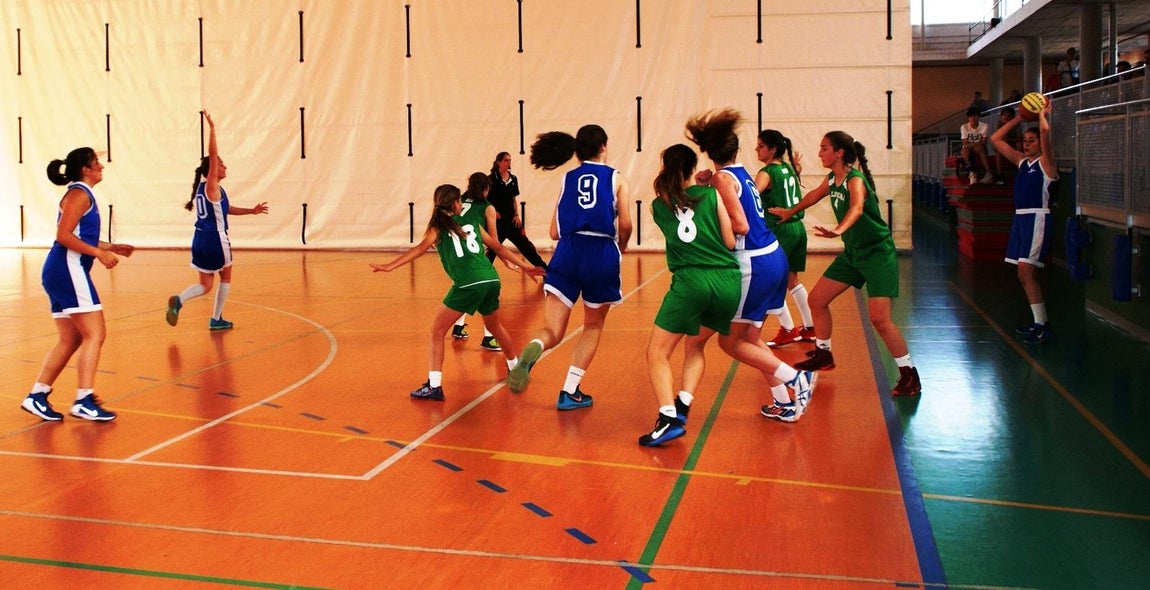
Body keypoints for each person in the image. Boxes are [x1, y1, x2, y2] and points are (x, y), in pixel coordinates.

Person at [687, 109, 815, 424]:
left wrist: (714, 235)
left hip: (753, 263)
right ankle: (784, 402)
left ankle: (796, 378)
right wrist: (711, 187)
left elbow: (740, 225)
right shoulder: (742, 172)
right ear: (735, 150)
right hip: (773, 256)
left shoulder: (721, 178)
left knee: (728, 341)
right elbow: (740, 202)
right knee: (751, 340)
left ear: (709, 152)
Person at [771, 131, 921, 397]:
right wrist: (789, 211)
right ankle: (823, 354)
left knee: (880, 319)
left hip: (877, 253)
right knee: (816, 300)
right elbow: (812, 197)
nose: (819, 153)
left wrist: (839, 230)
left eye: (824, 148)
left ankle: (909, 374)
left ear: (839, 152)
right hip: (854, 253)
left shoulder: (855, 180)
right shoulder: (832, 178)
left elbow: (857, 209)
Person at [370, 184, 546, 400]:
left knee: (437, 330)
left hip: (468, 284)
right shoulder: (471, 222)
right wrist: (525, 265)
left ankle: (434, 386)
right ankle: (515, 368)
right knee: (495, 326)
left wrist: (390, 265)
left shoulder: (437, 228)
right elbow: (498, 247)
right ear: (455, 203)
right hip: (491, 279)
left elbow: (419, 250)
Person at [506, 125, 633, 411]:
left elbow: (553, 231)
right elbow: (625, 224)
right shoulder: (617, 178)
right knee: (593, 325)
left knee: (552, 328)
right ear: (604, 146)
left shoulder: (567, 178)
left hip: (567, 252)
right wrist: (620, 247)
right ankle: (569, 391)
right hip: (601, 252)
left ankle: (537, 345)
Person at [21, 148, 135, 422]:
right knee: (95, 334)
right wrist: (100, 254)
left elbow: (79, 235)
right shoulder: (79, 194)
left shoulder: (82, 194)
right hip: (66, 269)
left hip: (60, 271)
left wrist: (110, 246)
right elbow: (63, 236)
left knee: (70, 338)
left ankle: (37, 395)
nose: (101, 166)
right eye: (96, 162)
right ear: (85, 168)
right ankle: (84, 399)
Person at [639, 144, 741, 446]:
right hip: (728, 282)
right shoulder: (712, 194)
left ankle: (668, 417)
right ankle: (682, 403)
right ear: (692, 166)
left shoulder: (658, 206)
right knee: (695, 345)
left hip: (691, 281)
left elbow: (680, 211)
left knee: (657, 353)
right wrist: (706, 187)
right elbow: (730, 242)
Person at [165, 112, 268, 330]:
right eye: (221, 164)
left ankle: (179, 300)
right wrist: (212, 129)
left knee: (205, 284)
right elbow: (213, 154)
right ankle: (216, 318)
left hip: (199, 239)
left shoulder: (206, 190)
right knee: (226, 275)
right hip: (215, 239)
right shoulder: (211, 185)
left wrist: (252, 211)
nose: (224, 167)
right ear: (212, 169)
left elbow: (226, 209)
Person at [991, 96, 1057, 344]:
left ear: (1040, 143)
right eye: (1025, 141)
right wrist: (1020, 116)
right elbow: (996, 139)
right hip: (1020, 220)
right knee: (1023, 275)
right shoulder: (1022, 163)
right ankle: (1038, 322)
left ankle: (1043, 325)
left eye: (1032, 140)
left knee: (1026, 272)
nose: (1027, 144)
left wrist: (1041, 116)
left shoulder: (1046, 163)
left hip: (1037, 219)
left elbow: (1046, 135)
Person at [754, 129, 815, 347]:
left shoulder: (767, 171)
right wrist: (797, 166)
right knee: (792, 280)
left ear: (772, 149)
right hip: (797, 229)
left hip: (780, 229)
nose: (756, 149)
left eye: (761, 146)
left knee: (770, 281)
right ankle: (810, 327)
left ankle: (789, 329)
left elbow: (753, 194)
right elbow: (795, 172)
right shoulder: (788, 168)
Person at [450, 172, 505, 351]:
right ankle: (489, 337)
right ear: (486, 189)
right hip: (475, 254)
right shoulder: (487, 207)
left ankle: (458, 326)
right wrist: (506, 260)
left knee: (466, 289)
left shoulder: (459, 201)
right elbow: (495, 242)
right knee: (486, 292)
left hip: (456, 252)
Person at [483, 151, 548, 275]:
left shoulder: (513, 179)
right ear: (499, 162)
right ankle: (482, 274)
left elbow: (513, 199)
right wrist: (493, 211)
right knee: (493, 249)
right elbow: (485, 199)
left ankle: (544, 271)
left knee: (527, 246)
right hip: (497, 223)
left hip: (511, 220)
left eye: (510, 160)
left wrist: (516, 215)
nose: (508, 163)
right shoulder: (490, 179)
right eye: (506, 160)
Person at [960, 107, 995, 185]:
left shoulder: (984, 126)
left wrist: (972, 144)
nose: (973, 118)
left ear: (979, 117)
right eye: (971, 116)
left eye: (975, 116)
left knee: (979, 148)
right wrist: (973, 145)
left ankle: (988, 173)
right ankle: (972, 173)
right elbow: (965, 143)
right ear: (968, 118)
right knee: (964, 150)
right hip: (969, 148)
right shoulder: (964, 127)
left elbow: (983, 142)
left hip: (980, 147)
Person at [993, 107, 1022, 182]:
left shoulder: (1016, 124)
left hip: (1013, 144)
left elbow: (1019, 137)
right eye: (1004, 115)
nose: (1006, 117)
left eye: (1009, 116)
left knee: (1019, 144)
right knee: (998, 150)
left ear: (1012, 117)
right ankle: (999, 175)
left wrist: (1010, 139)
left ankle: (1020, 170)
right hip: (1002, 145)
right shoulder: (998, 124)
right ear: (1001, 116)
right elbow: (997, 138)